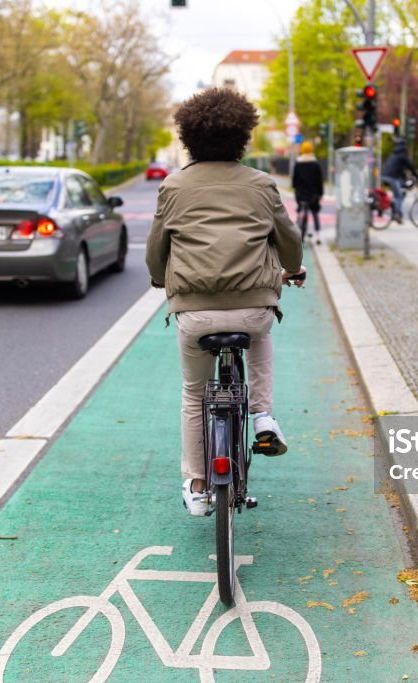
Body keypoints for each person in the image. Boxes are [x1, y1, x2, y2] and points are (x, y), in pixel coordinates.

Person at [146, 87, 305, 517]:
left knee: (194, 393)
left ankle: (198, 485)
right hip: (253, 307)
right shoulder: (261, 185)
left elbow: (156, 251)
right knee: (259, 334)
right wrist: (292, 268)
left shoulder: (174, 187)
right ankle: (264, 417)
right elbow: (290, 244)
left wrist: (161, 279)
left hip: (194, 312)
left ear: (188, 137)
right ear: (243, 136)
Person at [291, 141, 324, 244]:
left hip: (301, 194)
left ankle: (302, 235)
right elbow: (320, 180)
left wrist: (296, 189)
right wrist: (320, 193)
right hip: (313, 194)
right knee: (315, 213)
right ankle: (317, 235)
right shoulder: (315, 164)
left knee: (301, 211)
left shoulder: (297, 164)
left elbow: (294, 182)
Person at [380, 139, 418, 223]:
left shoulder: (395, 154)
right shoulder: (402, 155)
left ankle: (395, 206)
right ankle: (397, 214)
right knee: (399, 196)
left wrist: (405, 179)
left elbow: (400, 169)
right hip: (391, 177)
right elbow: (410, 166)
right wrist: (417, 176)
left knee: (401, 189)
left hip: (386, 175)